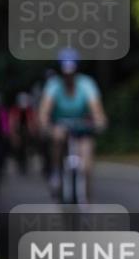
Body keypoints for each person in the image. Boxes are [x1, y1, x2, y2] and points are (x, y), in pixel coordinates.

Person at [38, 48, 107, 198]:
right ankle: (56, 171)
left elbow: (96, 109)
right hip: (60, 126)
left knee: (87, 165)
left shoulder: (87, 84)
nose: (68, 76)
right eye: (65, 72)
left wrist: (99, 121)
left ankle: (86, 200)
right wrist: (45, 124)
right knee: (57, 138)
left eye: (71, 72)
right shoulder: (53, 85)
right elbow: (44, 110)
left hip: (83, 128)